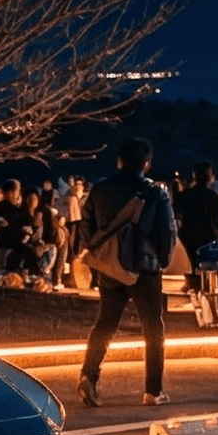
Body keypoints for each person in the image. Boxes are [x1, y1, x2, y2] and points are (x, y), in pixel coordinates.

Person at [75, 139, 179, 406]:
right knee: (153, 328)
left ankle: (89, 375)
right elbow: (167, 231)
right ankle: (152, 391)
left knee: (105, 324)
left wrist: (100, 256)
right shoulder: (155, 192)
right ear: (147, 164)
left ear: (119, 161)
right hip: (144, 268)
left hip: (111, 269)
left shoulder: (98, 190)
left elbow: (85, 227)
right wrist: (162, 260)